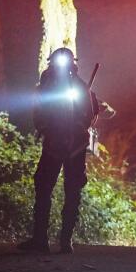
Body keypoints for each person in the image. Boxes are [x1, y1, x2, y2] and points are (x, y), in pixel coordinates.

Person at [18, 47, 99, 254]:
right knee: (43, 186)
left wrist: (79, 126)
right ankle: (40, 239)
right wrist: (45, 128)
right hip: (53, 144)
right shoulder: (45, 87)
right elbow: (38, 111)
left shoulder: (81, 88)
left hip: (75, 146)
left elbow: (91, 113)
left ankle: (66, 241)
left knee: (72, 190)